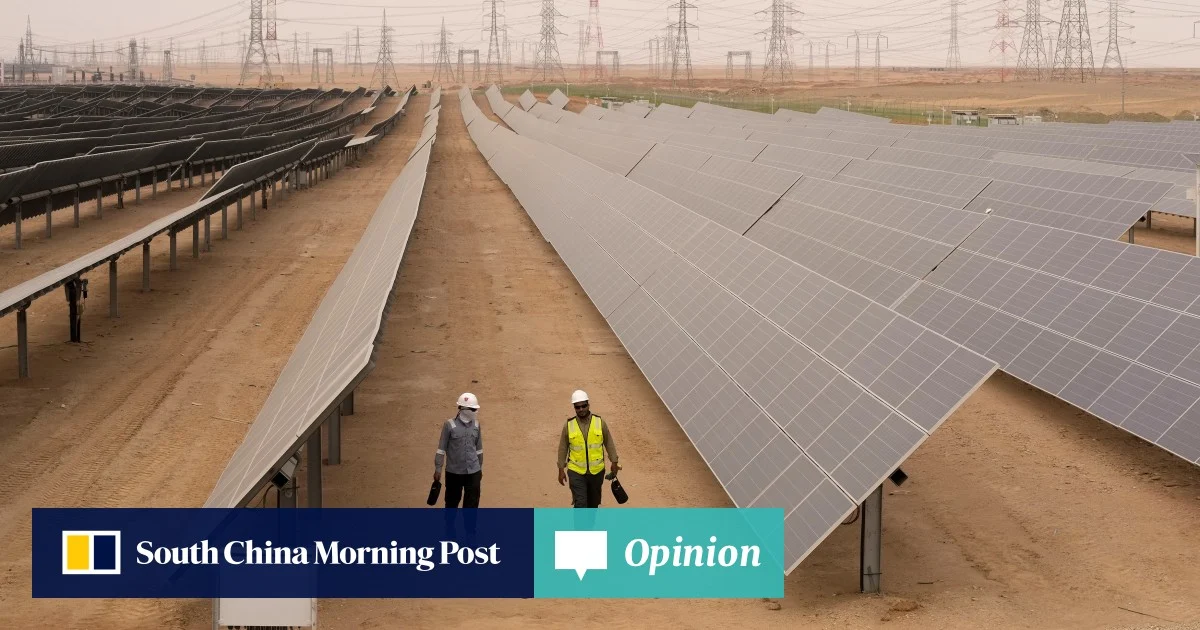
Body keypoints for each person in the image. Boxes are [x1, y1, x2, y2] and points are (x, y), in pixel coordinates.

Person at [557, 390, 619, 508]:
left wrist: (614, 462)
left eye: (583, 406)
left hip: (597, 472)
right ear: (574, 408)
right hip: (576, 471)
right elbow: (563, 448)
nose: (581, 409)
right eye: (577, 407)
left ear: (588, 405)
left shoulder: (600, 422)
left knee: (593, 505)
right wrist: (561, 469)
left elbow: (609, 443)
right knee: (580, 503)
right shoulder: (569, 425)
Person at [434, 393, 484, 511]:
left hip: (473, 472)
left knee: (472, 505)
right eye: (473, 409)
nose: (476, 412)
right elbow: (441, 449)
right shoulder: (449, 425)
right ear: (464, 409)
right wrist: (438, 468)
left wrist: (479, 469)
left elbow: (479, 449)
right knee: (451, 504)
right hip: (454, 472)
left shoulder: (476, 425)